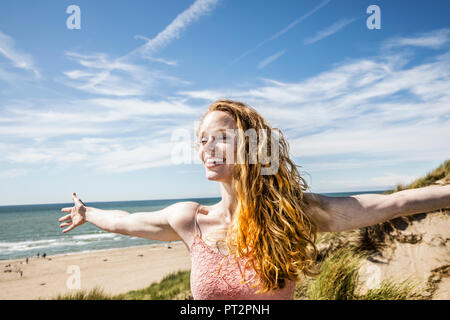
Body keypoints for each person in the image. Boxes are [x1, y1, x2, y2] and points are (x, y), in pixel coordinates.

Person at [59, 99, 450, 300]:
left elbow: (394, 203)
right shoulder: (189, 219)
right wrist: (88, 212)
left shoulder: (293, 214)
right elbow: (126, 222)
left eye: (222, 138)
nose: (208, 148)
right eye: (202, 140)